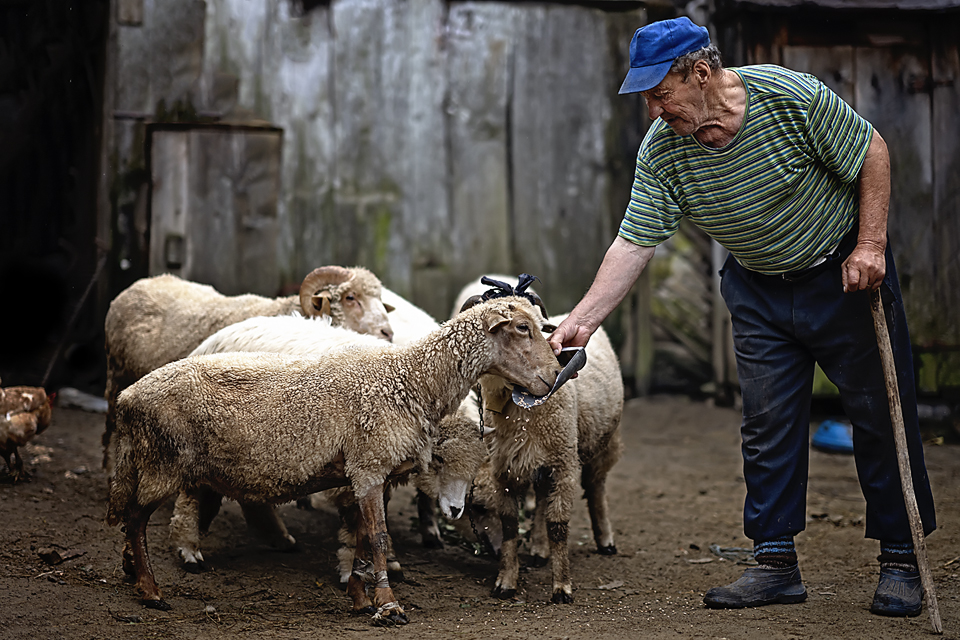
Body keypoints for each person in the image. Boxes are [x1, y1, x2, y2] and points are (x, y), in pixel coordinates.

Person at [548, 16, 936, 616]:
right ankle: (775, 562)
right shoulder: (664, 151)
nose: (654, 110)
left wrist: (872, 245)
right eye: (648, 97)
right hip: (756, 289)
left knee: (881, 415)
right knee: (767, 422)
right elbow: (634, 241)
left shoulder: (788, 96)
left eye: (660, 93)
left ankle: (901, 560)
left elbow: (872, 152)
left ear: (700, 72)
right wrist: (582, 319)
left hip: (841, 277)